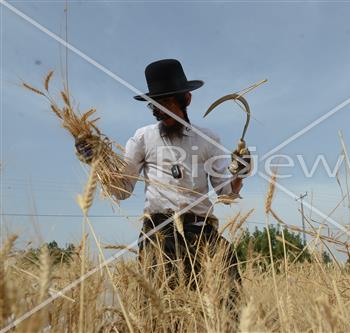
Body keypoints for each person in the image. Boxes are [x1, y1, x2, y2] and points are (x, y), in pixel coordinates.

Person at [75, 59, 250, 305]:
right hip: (158, 235)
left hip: (201, 233)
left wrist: (240, 174)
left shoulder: (208, 139)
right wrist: (97, 164)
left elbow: (225, 193)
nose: (162, 112)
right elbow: (123, 190)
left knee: (230, 303)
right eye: (156, 105)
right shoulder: (142, 138)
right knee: (159, 313)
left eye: (168, 103)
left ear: (186, 99)